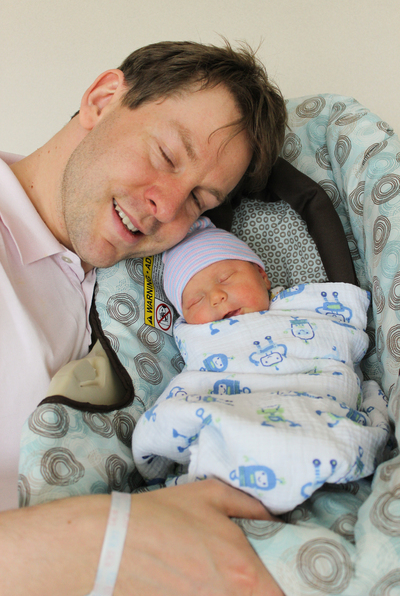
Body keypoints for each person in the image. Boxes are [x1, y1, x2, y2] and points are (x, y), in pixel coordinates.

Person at [0, 41, 287, 595]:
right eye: (166, 155)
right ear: (103, 99)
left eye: (199, 200)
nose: (168, 207)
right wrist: (111, 539)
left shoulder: (144, 301)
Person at [132, 218, 390, 513]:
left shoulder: (306, 308)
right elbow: (191, 387)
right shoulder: (200, 342)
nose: (216, 297)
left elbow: (338, 338)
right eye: (196, 300)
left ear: (262, 277)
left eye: (225, 278)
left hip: (313, 403)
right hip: (229, 410)